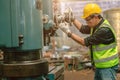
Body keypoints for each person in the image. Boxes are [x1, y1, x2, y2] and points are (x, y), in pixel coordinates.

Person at [59, 3, 119, 80]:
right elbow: (83, 29)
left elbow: (83, 42)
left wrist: (68, 32)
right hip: (100, 66)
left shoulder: (103, 30)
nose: (87, 22)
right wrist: (73, 19)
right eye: (85, 20)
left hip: (107, 67)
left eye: (88, 20)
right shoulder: (96, 26)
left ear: (96, 17)